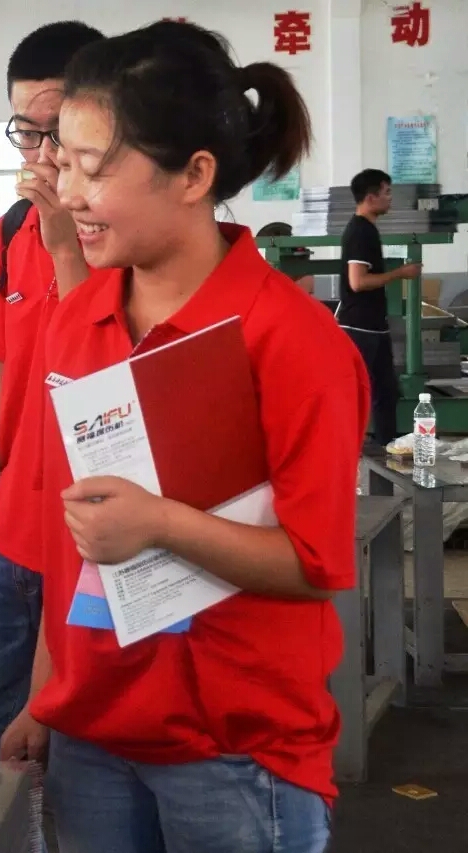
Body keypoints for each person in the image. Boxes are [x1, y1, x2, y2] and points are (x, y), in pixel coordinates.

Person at [19, 21, 367, 852]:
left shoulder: (289, 341)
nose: (70, 194)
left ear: (194, 175)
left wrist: (160, 524)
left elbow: (314, 564)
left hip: (235, 753)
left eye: (95, 167)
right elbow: (68, 544)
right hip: (92, 738)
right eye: (64, 162)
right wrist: (45, 696)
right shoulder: (76, 324)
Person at [0, 21, 103, 765]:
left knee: (74, 750)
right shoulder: (10, 234)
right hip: (10, 531)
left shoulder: (121, 237)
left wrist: (67, 240)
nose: (38, 154)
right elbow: (2, 369)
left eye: (55, 131)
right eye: (24, 132)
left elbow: (104, 365)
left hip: (92, 539)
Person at [337, 168, 422, 447]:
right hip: (359, 328)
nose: (390, 198)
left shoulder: (368, 230)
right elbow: (358, 281)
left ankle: (387, 446)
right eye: (386, 192)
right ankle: (348, 449)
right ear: (371, 197)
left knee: (386, 391)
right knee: (358, 392)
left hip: (375, 326)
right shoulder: (360, 232)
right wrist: (400, 273)